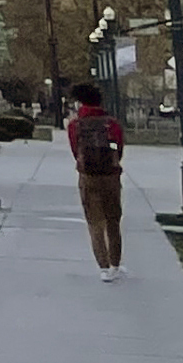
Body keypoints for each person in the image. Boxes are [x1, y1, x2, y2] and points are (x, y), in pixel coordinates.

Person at [68, 80, 128, 281]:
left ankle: (103, 267)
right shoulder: (112, 123)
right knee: (113, 221)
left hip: (89, 177)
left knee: (95, 222)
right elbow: (119, 149)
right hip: (111, 176)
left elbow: (75, 150)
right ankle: (116, 264)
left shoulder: (75, 125)